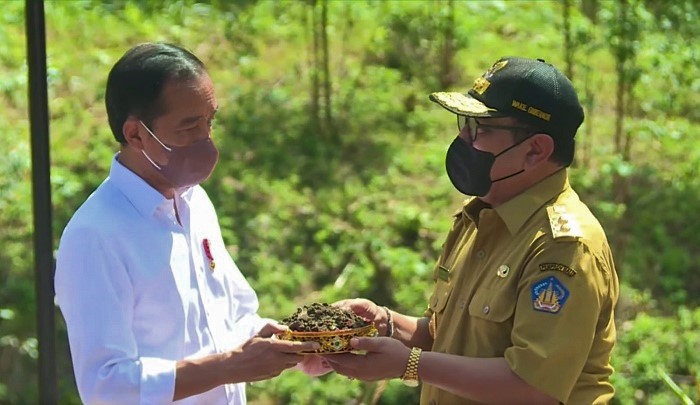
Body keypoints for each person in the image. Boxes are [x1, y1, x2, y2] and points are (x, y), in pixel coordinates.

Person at [316, 57, 620, 404]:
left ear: (535, 150)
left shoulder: (565, 247)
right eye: (465, 122)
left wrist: (410, 365)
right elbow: (445, 338)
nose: (463, 137)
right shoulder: (478, 218)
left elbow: (533, 389)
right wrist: (385, 323)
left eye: (482, 129)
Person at [54, 42, 318, 404]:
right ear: (136, 134)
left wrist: (295, 344)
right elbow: (107, 385)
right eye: (189, 126)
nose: (206, 139)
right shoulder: (95, 236)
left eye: (210, 121)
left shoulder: (194, 201)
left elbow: (233, 318)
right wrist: (230, 366)